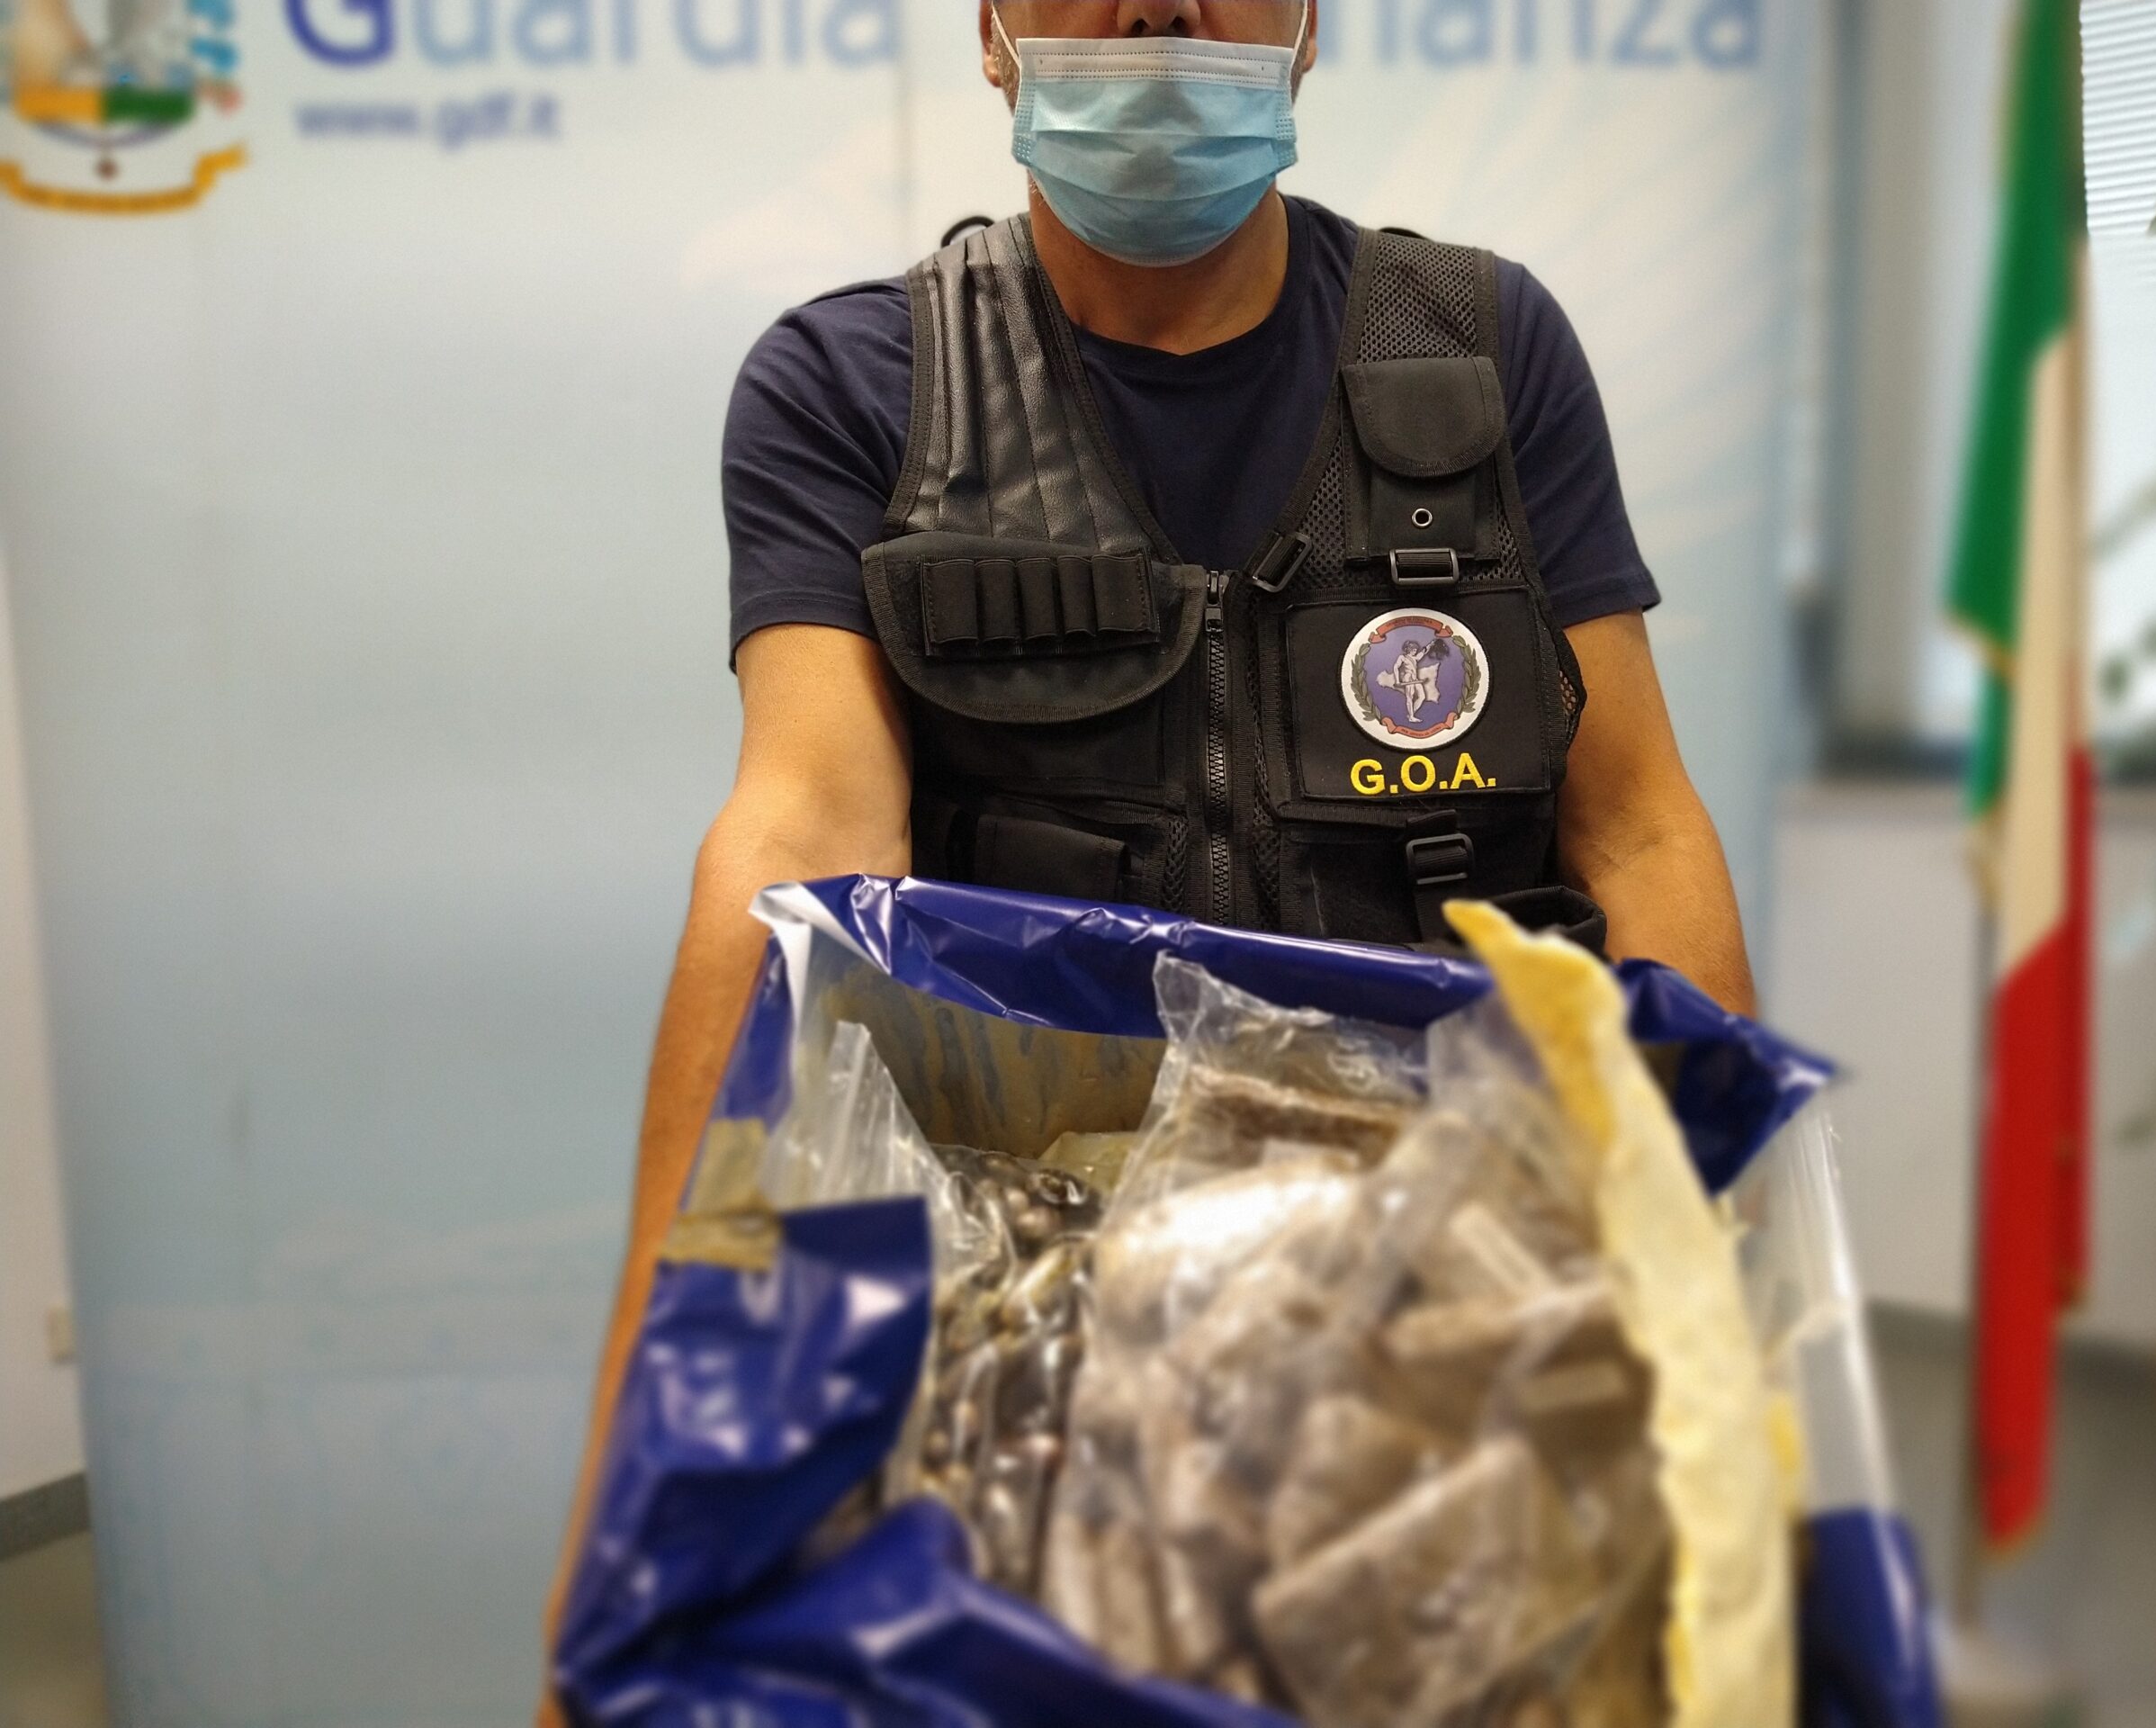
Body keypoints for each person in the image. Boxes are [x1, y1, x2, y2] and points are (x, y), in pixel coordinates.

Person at [541, 1, 1755, 1693]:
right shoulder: (858, 385)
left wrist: (1721, 1326)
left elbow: (1636, 827)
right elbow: (797, 849)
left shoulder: (1481, 353)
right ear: (990, 31)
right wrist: (635, 1496)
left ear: (1312, 27)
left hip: (1456, 1328)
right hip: (1027, 1351)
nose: (1161, 4)